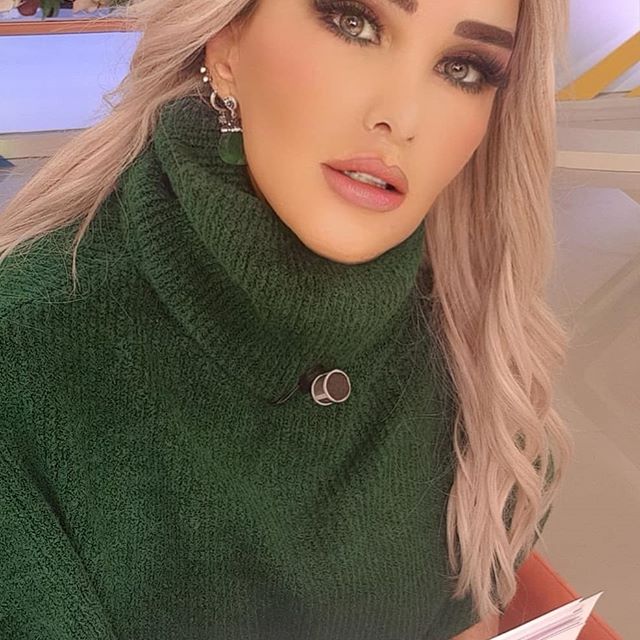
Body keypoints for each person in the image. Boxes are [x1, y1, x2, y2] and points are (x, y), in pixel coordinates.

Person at [0, 0, 574, 638]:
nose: (403, 117)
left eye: (464, 69)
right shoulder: (25, 357)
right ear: (226, 42)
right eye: (355, 23)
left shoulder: (474, 351)